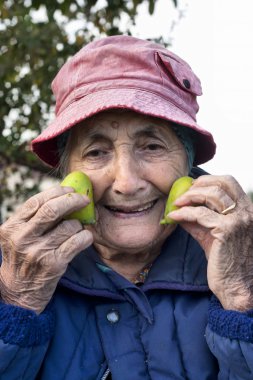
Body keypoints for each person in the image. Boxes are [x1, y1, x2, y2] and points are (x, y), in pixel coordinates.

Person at [0, 35, 253, 380]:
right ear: (67, 172)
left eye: (151, 146)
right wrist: (16, 303)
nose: (127, 183)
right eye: (96, 152)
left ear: (187, 166)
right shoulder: (14, 272)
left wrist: (242, 298)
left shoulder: (244, 266)